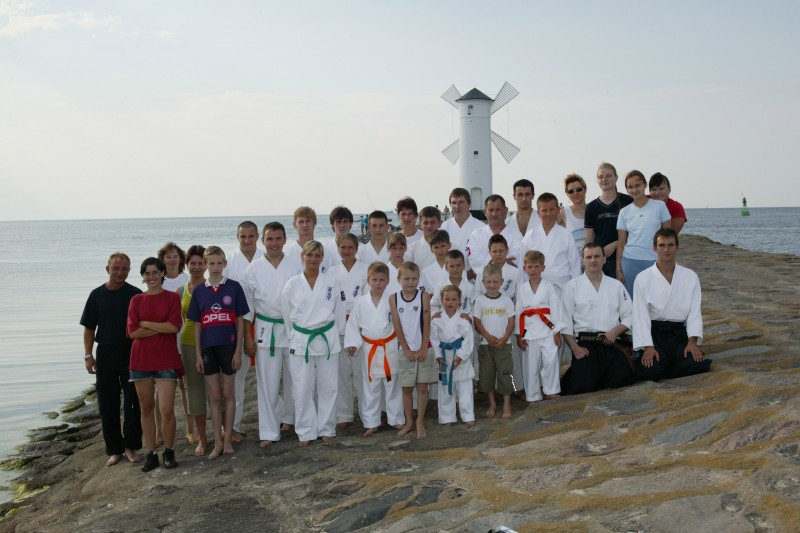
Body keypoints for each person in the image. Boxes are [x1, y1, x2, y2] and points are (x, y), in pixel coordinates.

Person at [243, 222, 302, 448]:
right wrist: (248, 337)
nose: (274, 243)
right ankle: (269, 430)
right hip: (265, 328)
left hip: (292, 328)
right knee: (267, 382)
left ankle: (297, 421)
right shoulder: (253, 269)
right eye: (270, 239)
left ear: (285, 240)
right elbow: (248, 307)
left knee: (297, 378)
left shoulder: (295, 265)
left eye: (278, 238)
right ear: (263, 241)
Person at [81, 252, 143, 467]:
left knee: (133, 402)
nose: (120, 272)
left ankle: (130, 446)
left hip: (131, 352)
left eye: (124, 269)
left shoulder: (136, 295)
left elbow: (143, 326)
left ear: (129, 270)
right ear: (107, 269)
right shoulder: (96, 295)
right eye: (116, 268)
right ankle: (114, 449)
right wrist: (88, 355)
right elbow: (89, 328)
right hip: (105, 353)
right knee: (107, 402)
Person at [281, 241, 344, 447]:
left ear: (322, 258)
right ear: (303, 256)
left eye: (317, 255)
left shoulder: (331, 282)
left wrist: (334, 333)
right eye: (310, 255)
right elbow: (287, 316)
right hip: (302, 340)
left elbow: (339, 312)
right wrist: (295, 337)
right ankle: (305, 431)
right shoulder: (292, 284)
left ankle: (326, 428)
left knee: (328, 387)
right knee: (302, 388)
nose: (313, 259)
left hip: (327, 338)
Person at [189, 246, 249, 460]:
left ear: (225, 263)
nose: (215, 267)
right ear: (205, 265)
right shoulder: (200, 291)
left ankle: (228, 439)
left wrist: (238, 351)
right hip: (208, 348)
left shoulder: (234, 287)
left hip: (229, 348)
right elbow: (197, 324)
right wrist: (198, 354)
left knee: (228, 393)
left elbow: (240, 320)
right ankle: (217, 443)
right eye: (211, 263)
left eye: (219, 263)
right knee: (215, 396)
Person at [127, 257, 183, 472]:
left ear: (162, 274)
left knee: (166, 409)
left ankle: (169, 450)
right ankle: (151, 453)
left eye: (155, 272)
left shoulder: (171, 298)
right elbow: (133, 332)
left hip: (166, 358)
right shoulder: (136, 300)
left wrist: (147, 324)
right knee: (146, 407)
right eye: (147, 273)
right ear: (143, 276)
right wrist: (161, 326)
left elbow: (174, 327)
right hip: (141, 359)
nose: (151, 277)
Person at [633, 229, 711, 381]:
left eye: (670, 245)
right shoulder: (642, 278)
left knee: (697, 365)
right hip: (655, 335)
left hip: (679, 335)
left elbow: (695, 313)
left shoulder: (690, 276)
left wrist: (692, 343)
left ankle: (669, 364)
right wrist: (648, 347)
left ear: (677, 247)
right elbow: (640, 316)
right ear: (654, 248)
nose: (666, 250)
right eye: (662, 245)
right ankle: (667, 365)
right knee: (651, 371)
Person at [559, 243, 637, 394]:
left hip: (610, 341)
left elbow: (630, 315)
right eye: (589, 257)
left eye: (597, 256)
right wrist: (575, 348)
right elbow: (565, 321)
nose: (593, 260)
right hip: (585, 344)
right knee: (581, 386)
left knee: (623, 378)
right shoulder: (572, 286)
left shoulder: (616, 286)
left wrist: (614, 332)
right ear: (583, 261)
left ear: (604, 259)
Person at [345, 262, 403, 436]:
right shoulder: (360, 302)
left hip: (389, 347)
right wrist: (353, 343)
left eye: (382, 280)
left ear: (388, 281)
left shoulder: (393, 300)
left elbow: (401, 324)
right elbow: (353, 324)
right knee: (370, 387)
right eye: (375, 280)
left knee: (393, 385)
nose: (378, 283)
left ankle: (396, 419)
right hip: (370, 348)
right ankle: (371, 422)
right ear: (368, 280)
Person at [225, 220, 265, 443]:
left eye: (251, 236)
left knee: (268, 376)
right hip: (237, 326)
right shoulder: (229, 262)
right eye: (243, 236)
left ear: (257, 236)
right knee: (236, 379)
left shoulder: (265, 258)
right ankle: (233, 426)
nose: (247, 241)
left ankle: (284, 417)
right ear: (237, 237)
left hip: (266, 323)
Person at [390, 261, 435, 439]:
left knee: (422, 387)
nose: (410, 282)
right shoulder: (393, 298)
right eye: (407, 278)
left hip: (423, 347)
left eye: (414, 278)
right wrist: (406, 349)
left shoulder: (423, 296)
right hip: (405, 349)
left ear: (419, 279)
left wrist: (424, 347)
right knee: (407, 388)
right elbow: (396, 325)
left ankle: (420, 422)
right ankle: (409, 421)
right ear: (399, 279)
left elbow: (427, 322)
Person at [330, 233, 368, 430]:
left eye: (350, 247)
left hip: (360, 326)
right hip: (338, 326)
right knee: (341, 374)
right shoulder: (331, 272)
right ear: (338, 249)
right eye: (343, 247)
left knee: (362, 374)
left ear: (356, 249)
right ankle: (343, 414)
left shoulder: (365, 270)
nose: (346, 251)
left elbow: (368, 298)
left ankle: (367, 413)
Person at [515, 250, 564, 402]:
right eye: (530, 267)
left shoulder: (549, 286)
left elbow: (555, 308)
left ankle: (551, 390)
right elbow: (519, 312)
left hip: (548, 328)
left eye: (536, 266)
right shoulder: (521, 288)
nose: (533, 270)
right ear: (524, 268)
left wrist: (557, 331)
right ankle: (533, 394)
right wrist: (519, 334)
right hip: (529, 331)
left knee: (551, 361)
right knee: (531, 365)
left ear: (543, 268)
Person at [176, 245, 209, 456]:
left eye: (200, 263)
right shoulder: (181, 291)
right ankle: (203, 439)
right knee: (194, 392)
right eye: (192, 263)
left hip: (212, 342)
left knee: (217, 391)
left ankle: (224, 433)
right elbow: (177, 322)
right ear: (186, 265)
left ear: (206, 264)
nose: (196, 267)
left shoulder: (213, 286)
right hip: (188, 344)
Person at [616, 170, 671, 296]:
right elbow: (621, 242)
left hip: (654, 260)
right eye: (630, 187)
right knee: (632, 299)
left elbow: (668, 236)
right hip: (629, 261)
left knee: (656, 298)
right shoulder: (624, 212)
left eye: (638, 185)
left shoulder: (660, 206)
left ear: (645, 185)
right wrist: (618, 269)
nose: (634, 190)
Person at [472, 264, 515, 419]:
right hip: (486, 344)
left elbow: (511, 321)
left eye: (495, 281)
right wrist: (488, 337)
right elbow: (477, 322)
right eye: (488, 282)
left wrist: (505, 338)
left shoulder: (506, 301)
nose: (492, 285)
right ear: (483, 282)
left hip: (504, 344)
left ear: (501, 282)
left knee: (505, 373)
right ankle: (492, 403)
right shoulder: (480, 301)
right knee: (487, 374)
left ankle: (507, 404)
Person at [431, 285, 476, 428]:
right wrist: (438, 355)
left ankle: (468, 415)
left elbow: (469, 340)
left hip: (460, 356)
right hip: (444, 357)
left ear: (459, 302)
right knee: (445, 387)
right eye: (447, 299)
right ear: (441, 300)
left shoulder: (463, 320)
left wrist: (461, 356)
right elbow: (434, 340)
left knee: (465, 388)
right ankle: (447, 417)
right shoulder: (436, 320)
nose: (450, 302)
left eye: (454, 299)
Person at [519, 192, 581, 293]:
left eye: (552, 209)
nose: (548, 214)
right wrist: (524, 289)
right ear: (538, 213)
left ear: (558, 210)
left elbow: (575, 266)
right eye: (544, 210)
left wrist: (575, 291)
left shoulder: (566, 235)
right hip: (535, 289)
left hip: (561, 289)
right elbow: (522, 265)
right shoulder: (530, 236)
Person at [585, 162, 633, 278]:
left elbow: (634, 231)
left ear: (616, 177)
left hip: (622, 260)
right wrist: (587, 260)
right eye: (600, 177)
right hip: (599, 262)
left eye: (608, 176)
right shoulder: (591, 207)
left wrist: (615, 244)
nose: (604, 179)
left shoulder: (628, 201)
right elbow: (589, 238)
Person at [466, 194, 521, 272]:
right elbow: (475, 260)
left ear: (505, 210)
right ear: (485, 212)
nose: (494, 214)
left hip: (510, 279)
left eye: (498, 210)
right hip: (483, 279)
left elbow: (516, 259)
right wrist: (503, 261)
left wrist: (490, 262)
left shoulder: (516, 235)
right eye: (491, 210)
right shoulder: (476, 235)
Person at [440, 188, 485, 272]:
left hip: (474, 275)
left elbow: (485, 255)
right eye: (454, 203)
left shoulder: (481, 227)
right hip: (449, 274)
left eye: (461, 202)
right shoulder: (444, 226)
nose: (457, 206)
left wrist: (472, 272)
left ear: (469, 204)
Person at [556, 174, 588, 251]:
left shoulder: (594, 209)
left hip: (593, 257)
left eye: (579, 189)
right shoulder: (563, 212)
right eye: (571, 191)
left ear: (585, 189)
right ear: (567, 194)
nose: (575, 193)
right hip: (572, 257)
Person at [404, 205, 442, 270]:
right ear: (420, 225)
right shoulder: (412, 249)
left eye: (432, 222)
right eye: (425, 223)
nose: (429, 226)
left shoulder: (450, 247)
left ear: (440, 223)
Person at [420, 229, 450, 295]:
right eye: (436, 247)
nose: (440, 250)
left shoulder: (457, 267)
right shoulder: (426, 272)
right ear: (431, 249)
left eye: (442, 246)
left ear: (449, 245)